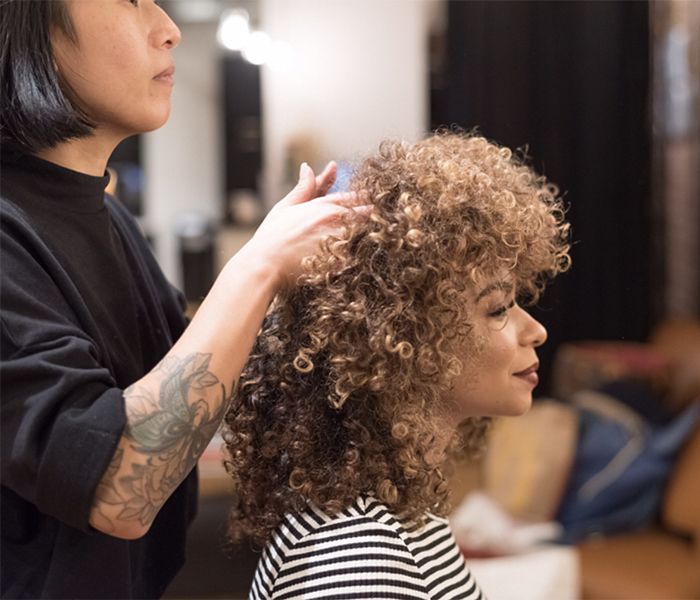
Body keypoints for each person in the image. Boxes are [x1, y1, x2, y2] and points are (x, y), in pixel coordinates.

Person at [0, 0, 367, 598]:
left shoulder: (110, 218)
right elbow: (118, 488)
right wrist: (258, 266)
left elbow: (188, 382)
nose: (169, 30)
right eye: (130, 1)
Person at [224, 132, 572, 599]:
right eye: (497, 308)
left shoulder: (405, 515)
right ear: (403, 339)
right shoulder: (361, 560)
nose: (536, 331)